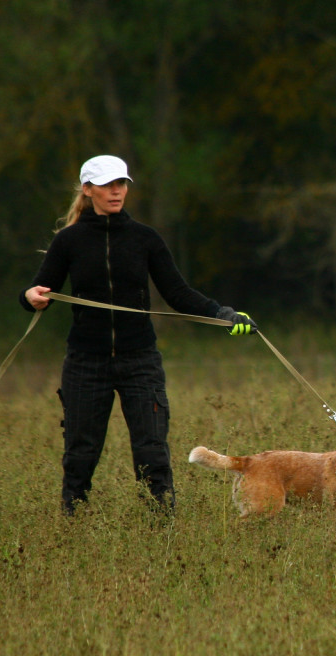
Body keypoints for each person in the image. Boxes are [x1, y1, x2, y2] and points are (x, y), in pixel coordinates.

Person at [20, 154, 257, 515]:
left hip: (140, 361)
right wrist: (31, 297)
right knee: (80, 454)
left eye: (121, 184)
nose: (117, 191)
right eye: (108, 185)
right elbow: (40, 289)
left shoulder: (145, 238)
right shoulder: (69, 241)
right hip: (85, 363)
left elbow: (178, 294)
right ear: (88, 190)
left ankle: (162, 528)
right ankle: (73, 525)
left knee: (151, 451)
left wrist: (223, 315)